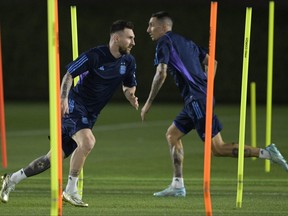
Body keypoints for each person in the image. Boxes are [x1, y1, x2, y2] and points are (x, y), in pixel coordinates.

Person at [141, 11, 288, 197]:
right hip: (197, 100)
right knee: (172, 135)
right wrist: (205, 87)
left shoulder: (164, 42)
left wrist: (148, 103)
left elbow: (161, 73)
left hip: (196, 101)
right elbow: (213, 62)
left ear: (163, 27)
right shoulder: (188, 43)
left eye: (151, 25)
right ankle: (177, 185)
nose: (148, 29)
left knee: (218, 149)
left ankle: (267, 153)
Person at [0, 20, 139, 207]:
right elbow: (68, 75)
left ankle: (11, 180)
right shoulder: (94, 55)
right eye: (130, 37)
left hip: (90, 115)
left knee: (52, 158)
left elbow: (129, 84)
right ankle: (70, 190)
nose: (133, 42)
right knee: (88, 141)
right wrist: (63, 98)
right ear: (116, 37)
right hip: (74, 106)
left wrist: (131, 95)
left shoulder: (128, 61)